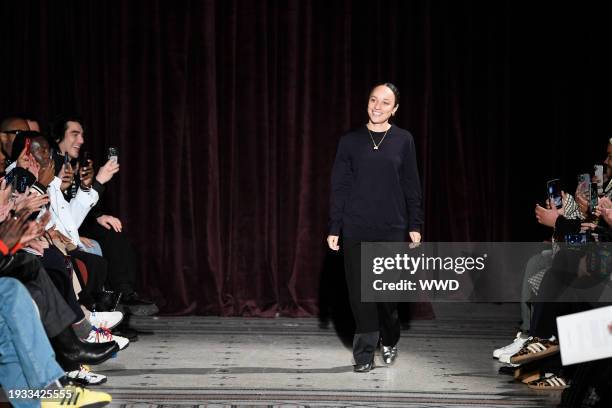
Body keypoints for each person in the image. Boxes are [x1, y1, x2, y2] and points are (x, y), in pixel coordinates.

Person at [327, 82, 424, 372]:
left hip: (391, 228)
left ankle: (390, 337)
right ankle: (365, 354)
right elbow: (339, 187)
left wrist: (415, 223)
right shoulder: (350, 141)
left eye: (385, 102)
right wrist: (335, 226)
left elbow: (411, 185)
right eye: (373, 100)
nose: (377, 106)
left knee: (385, 298)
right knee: (360, 296)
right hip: (356, 227)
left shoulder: (404, 140)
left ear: (394, 109)